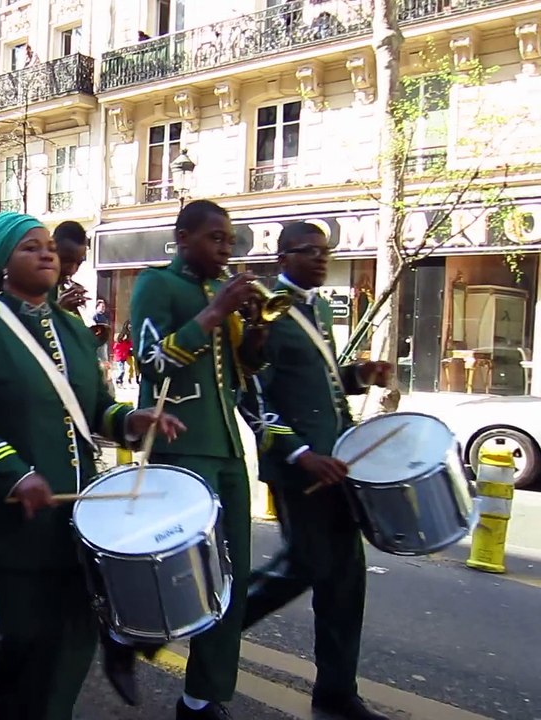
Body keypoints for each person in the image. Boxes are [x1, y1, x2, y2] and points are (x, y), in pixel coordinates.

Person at [0, 211, 185, 720]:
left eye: (48, 245)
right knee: (15, 635)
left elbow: (93, 410)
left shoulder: (73, 329)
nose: (47, 253)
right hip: (9, 520)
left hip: (77, 515)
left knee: (70, 634)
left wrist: (131, 421)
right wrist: (15, 473)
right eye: (30, 247)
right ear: (2, 263)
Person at [239, 223, 393, 720]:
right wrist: (300, 453)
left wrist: (358, 376)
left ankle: (336, 691)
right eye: (308, 252)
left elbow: (319, 386)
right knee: (301, 566)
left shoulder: (318, 308)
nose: (321, 260)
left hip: (337, 463)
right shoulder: (266, 310)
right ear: (282, 256)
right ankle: (216, 628)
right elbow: (253, 399)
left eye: (325, 252)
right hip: (299, 468)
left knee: (346, 579)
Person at [126, 199, 267, 719]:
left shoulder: (218, 292)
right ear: (183, 238)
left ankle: (203, 696)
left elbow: (245, 370)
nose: (225, 248)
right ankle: (127, 638)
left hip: (227, 446)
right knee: (183, 575)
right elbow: (152, 358)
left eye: (229, 240)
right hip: (180, 443)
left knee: (232, 576)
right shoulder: (156, 284)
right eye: (215, 238)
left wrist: (255, 327)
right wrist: (214, 314)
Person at [52, 220, 90, 314]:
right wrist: (59, 310)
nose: (72, 270)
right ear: (50, 248)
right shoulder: (32, 288)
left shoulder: (60, 288)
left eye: (79, 263)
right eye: (66, 260)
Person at [112, 323, 134, 387]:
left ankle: (120, 381)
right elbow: (114, 348)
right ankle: (118, 380)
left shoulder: (126, 343)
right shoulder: (118, 344)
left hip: (123, 358)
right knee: (122, 371)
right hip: (119, 358)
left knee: (124, 370)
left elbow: (131, 345)